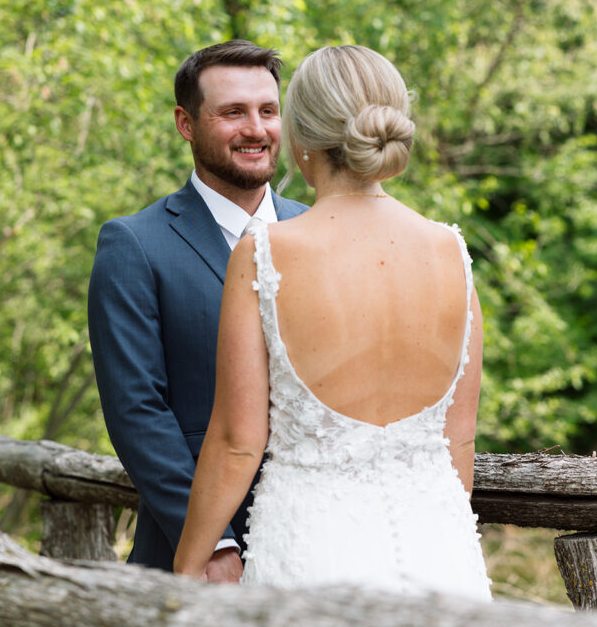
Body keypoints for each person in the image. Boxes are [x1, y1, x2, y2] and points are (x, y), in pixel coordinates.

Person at [173, 44, 492, 599]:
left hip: (312, 553)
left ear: (301, 140)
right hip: (441, 552)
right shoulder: (451, 253)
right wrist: (444, 541)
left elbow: (237, 442)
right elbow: (457, 442)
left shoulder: (265, 253)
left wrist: (183, 571)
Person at [88, 40, 307, 578]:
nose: (256, 129)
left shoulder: (318, 230)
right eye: (233, 112)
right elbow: (137, 411)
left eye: (268, 111)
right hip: (200, 552)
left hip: (318, 537)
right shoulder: (134, 245)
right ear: (186, 123)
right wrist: (212, 542)